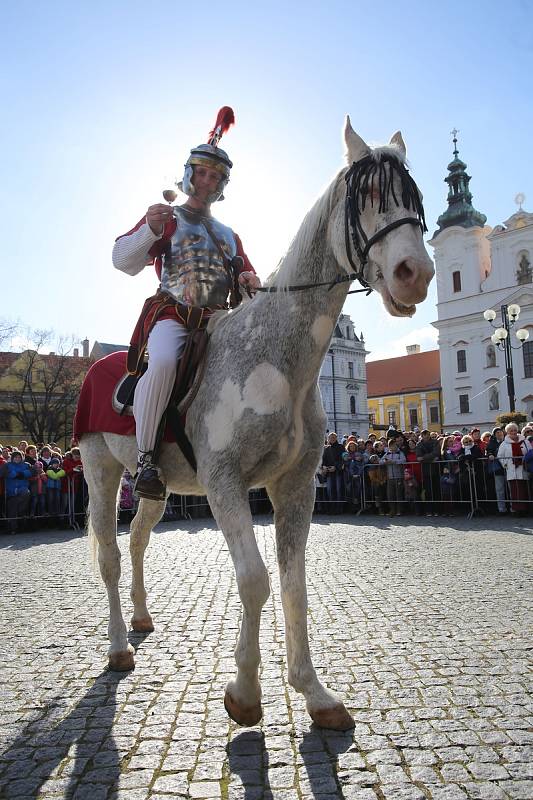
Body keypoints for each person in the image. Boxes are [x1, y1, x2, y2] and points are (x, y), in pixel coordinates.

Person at [112, 107, 261, 500]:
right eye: (203, 173)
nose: (208, 180)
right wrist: (150, 228)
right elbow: (122, 261)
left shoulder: (230, 235)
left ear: (222, 184)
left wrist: (249, 280)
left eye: (216, 176)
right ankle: (145, 461)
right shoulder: (169, 219)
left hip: (218, 322)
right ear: (189, 175)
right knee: (161, 363)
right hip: (173, 315)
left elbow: (248, 285)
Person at [497, 423, 529, 514]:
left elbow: (530, 452)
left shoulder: (524, 441)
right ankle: (516, 509)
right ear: (507, 432)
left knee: (524, 490)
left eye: (515, 430)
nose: (513, 432)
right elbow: (500, 456)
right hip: (511, 469)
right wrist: (505, 464)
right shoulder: (504, 443)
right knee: (514, 491)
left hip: (523, 469)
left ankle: (525, 509)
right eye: (511, 431)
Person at [381, 439, 406, 516]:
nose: (392, 447)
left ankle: (399, 510)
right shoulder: (387, 454)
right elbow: (380, 461)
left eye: (394, 445)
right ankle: (392, 510)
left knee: (399, 494)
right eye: (390, 446)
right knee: (390, 495)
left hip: (399, 476)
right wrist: (385, 462)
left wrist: (393, 461)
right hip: (390, 477)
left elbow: (403, 460)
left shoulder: (400, 453)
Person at [321, 432, 345, 512]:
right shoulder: (326, 448)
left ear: (336, 438)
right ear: (328, 439)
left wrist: (336, 467)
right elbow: (324, 460)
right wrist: (324, 466)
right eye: (330, 437)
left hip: (338, 472)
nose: (332, 439)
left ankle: (339, 508)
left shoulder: (341, 447)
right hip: (329, 472)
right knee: (330, 490)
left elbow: (343, 459)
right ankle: (332, 508)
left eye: (333, 437)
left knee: (338, 489)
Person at [486, 427, 507, 513]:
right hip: (498, 469)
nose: (499, 433)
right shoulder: (492, 443)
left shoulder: (507, 441)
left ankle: (513, 507)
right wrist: (490, 454)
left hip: (509, 468)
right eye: (497, 432)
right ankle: (501, 509)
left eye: (500, 432)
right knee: (500, 489)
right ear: (494, 435)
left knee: (509, 488)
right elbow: (488, 451)